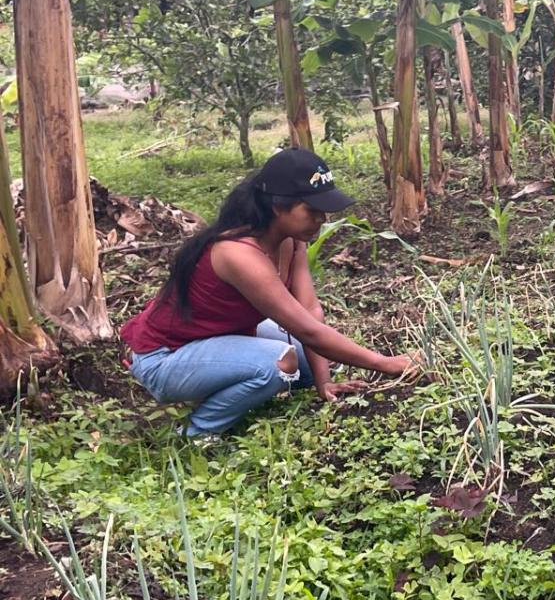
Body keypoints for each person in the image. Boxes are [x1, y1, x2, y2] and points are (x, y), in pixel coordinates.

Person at [121, 148, 422, 437]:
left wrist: (323, 381)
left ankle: (228, 379)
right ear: (278, 207)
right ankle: (198, 431)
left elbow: (310, 314)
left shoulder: (291, 241)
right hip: (164, 357)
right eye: (313, 210)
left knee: (312, 364)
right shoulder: (238, 254)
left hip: (214, 338)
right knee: (280, 363)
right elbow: (308, 330)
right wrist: (388, 363)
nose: (321, 219)